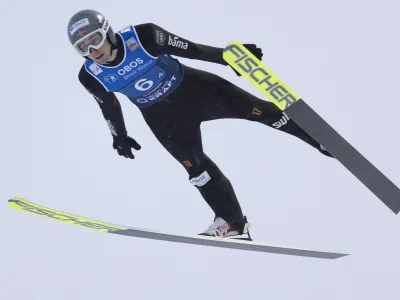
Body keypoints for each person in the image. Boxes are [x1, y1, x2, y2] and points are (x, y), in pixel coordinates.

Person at [67, 9, 332, 239]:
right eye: (83, 48)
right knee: (197, 171)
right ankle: (232, 223)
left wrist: (231, 57)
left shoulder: (144, 37)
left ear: (107, 32)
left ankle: (318, 137)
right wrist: (119, 136)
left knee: (262, 112)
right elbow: (109, 105)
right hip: (164, 120)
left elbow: (191, 49)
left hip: (198, 91)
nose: (93, 51)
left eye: (95, 40)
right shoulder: (90, 75)